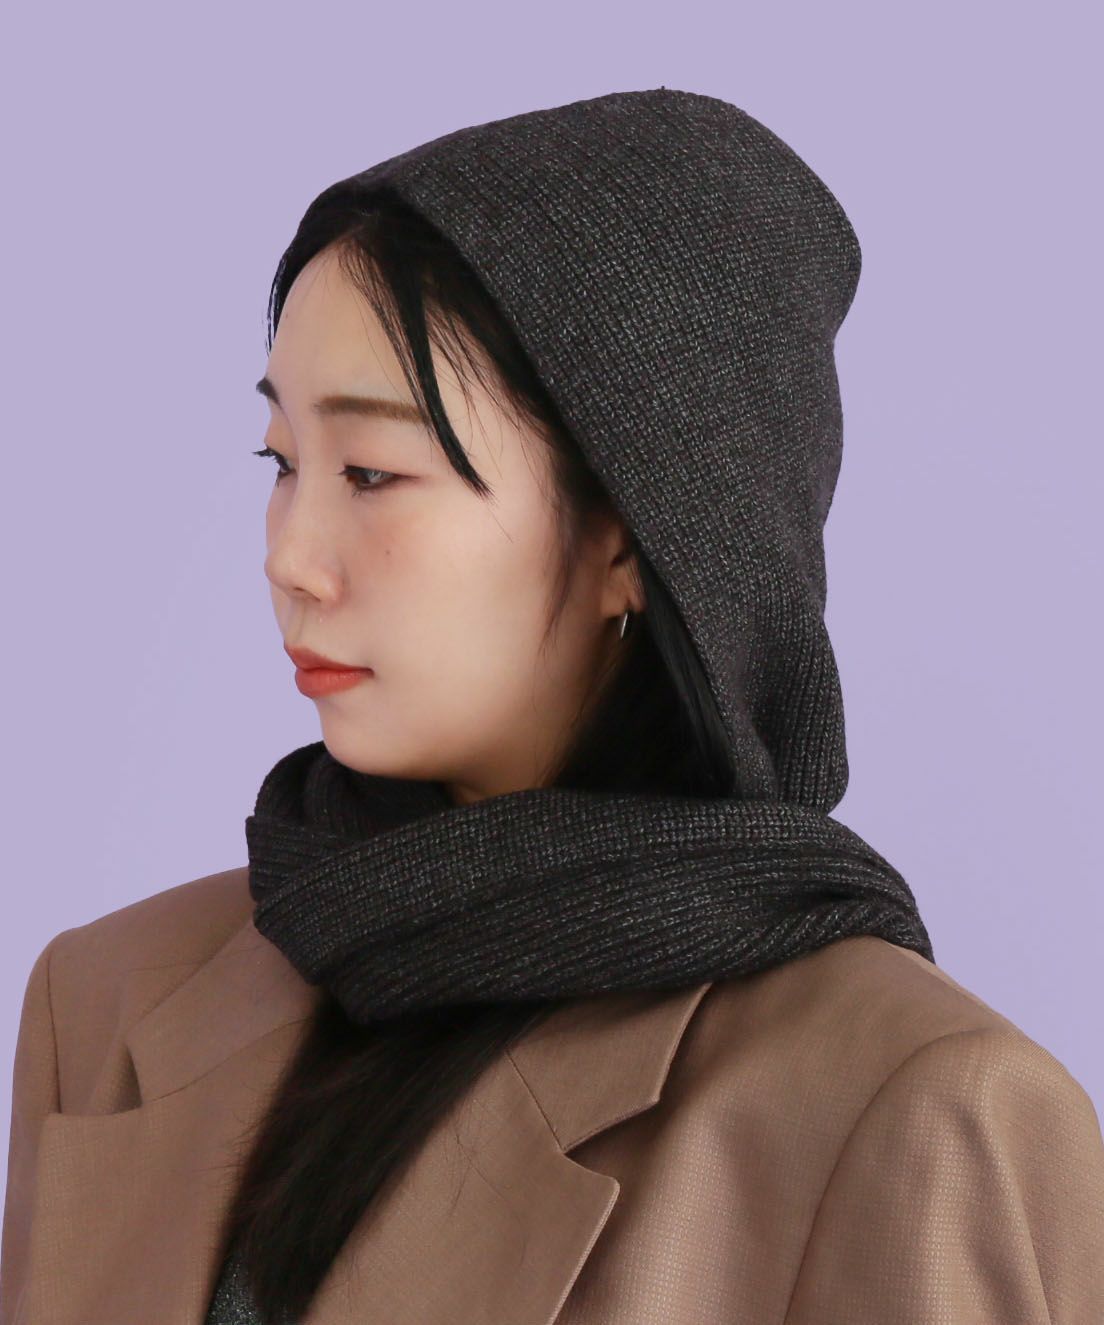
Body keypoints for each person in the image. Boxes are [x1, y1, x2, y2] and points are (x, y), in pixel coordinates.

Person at [3, 87, 1102, 1325]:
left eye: (372, 470)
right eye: (282, 462)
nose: (290, 556)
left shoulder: (908, 1109)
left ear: (631, 535)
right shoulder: (105, 1003)